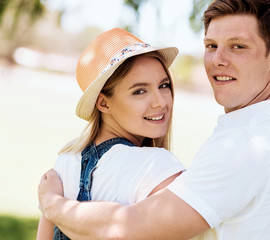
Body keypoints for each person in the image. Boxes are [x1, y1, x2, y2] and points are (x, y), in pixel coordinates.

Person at [38, 0, 270, 239]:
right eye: (211, 45)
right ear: (103, 103)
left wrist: (51, 204)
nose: (217, 60)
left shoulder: (248, 145)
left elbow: (128, 225)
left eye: (237, 47)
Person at [36, 28, 185, 239]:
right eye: (139, 91)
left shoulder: (63, 164)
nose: (160, 101)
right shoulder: (156, 167)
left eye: (163, 85)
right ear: (104, 103)